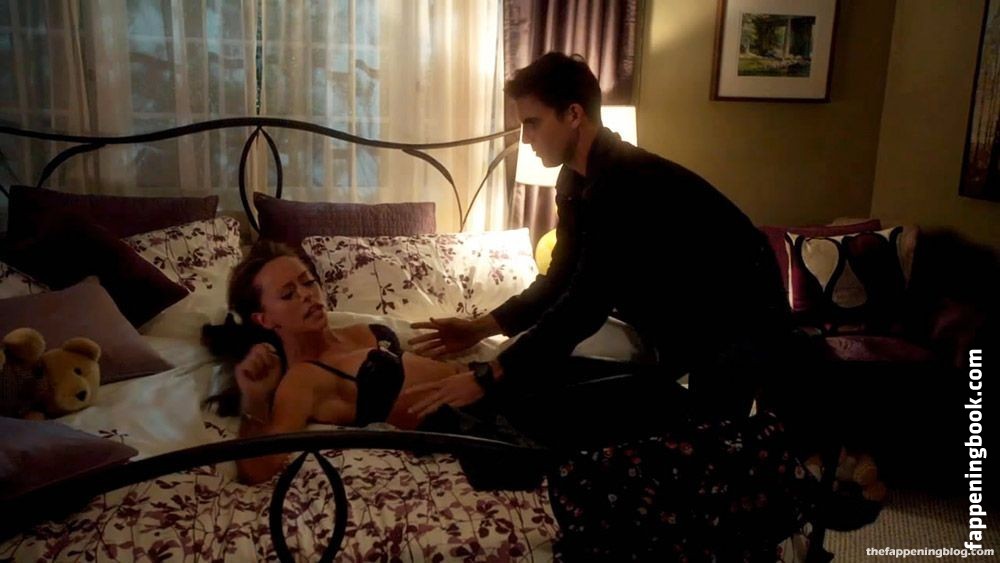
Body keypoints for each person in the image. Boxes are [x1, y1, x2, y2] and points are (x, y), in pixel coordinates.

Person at [404, 52, 817, 561]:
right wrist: (480, 326)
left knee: (706, 467)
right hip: (688, 325)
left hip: (739, 321)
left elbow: (584, 307)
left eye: (532, 123)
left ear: (573, 114)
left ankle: (787, 514)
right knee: (644, 431)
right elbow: (559, 281)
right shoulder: (576, 182)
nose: (526, 139)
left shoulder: (627, 183)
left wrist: (493, 373)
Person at [203, 241, 479, 485]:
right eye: (288, 294)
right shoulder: (303, 379)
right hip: (474, 424)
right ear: (264, 319)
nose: (306, 294)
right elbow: (257, 470)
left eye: (308, 282)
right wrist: (254, 398)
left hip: (482, 383)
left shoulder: (359, 331)